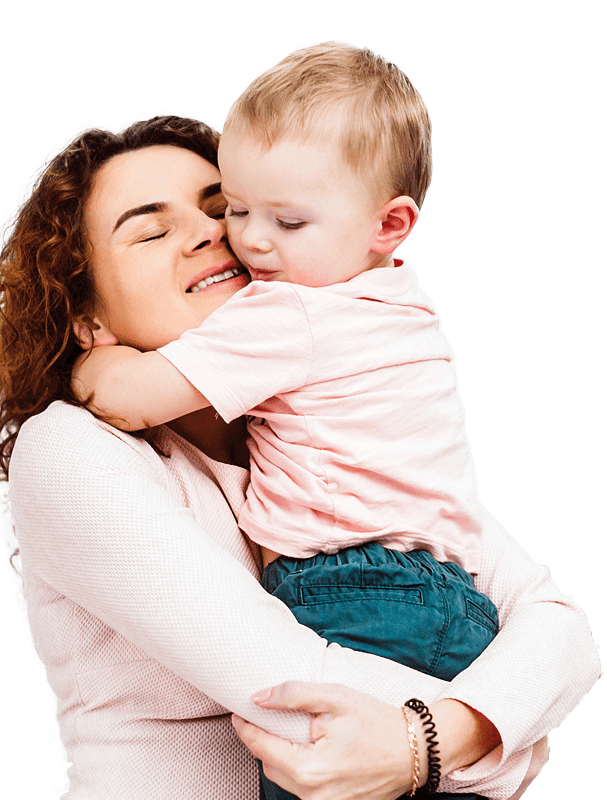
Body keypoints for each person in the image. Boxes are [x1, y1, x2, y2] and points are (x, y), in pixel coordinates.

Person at [0, 110, 600, 800]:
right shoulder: (68, 450)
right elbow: (289, 685)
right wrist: (502, 739)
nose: (210, 233)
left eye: (223, 210)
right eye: (152, 231)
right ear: (88, 319)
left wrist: (431, 743)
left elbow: (558, 626)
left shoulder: (328, 431)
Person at [71, 41, 501, 800]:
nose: (245, 239)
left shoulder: (290, 313)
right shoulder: (396, 301)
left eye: (284, 219)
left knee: (318, 771)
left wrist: (93, 366)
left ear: (390, 223)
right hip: (452, 602)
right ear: (82, 308)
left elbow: (128, 396)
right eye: (239, 209)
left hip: (356, 593)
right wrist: (488, 733)